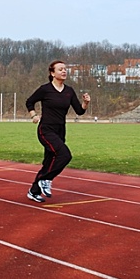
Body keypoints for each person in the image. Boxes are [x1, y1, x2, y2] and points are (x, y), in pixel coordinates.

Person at [25, 60, 91, 203]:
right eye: (60, 69)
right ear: (52, 73)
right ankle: (46, 179)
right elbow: (29, 101)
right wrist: (33, 115)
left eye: (65, 69)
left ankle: (34, 191)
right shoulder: (45, 89)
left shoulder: (69, 91)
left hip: (60, 131)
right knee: (65, 155)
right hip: (46, 129)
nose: (64, 71)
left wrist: (86, 103)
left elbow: (79, 111)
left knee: (49, 162)